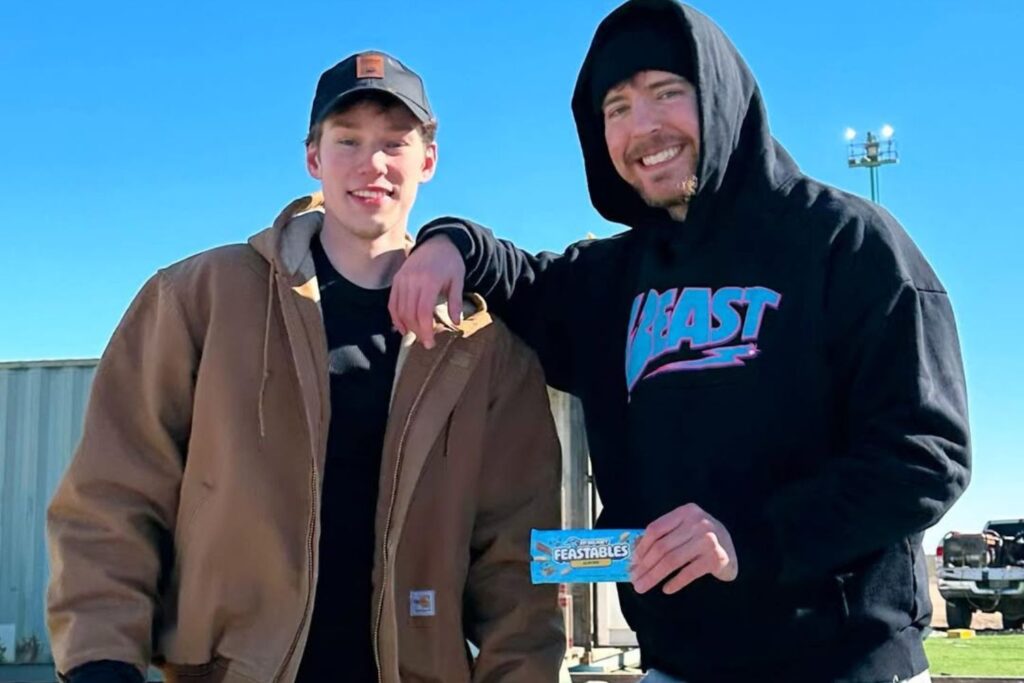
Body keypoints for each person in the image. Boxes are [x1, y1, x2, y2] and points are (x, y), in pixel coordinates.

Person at [388, 2, 971, 681]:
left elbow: (927, 455)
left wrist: (750, 538)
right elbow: (518, 276)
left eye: (668, 93)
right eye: (617, 108)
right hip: (677, 664)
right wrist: (449, 241)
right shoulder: (612, 279)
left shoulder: (849, 243)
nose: (644, 127)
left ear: (721, 98)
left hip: (845, 662)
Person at [46, 50, 565, 683]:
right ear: (313, 158)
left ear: (428, 160)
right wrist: (101, 657)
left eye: (394, 143)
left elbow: (514, 561)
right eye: (347, 140)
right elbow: (115, 490)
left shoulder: (484, 349)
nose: (371, 164)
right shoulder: (201, 298)